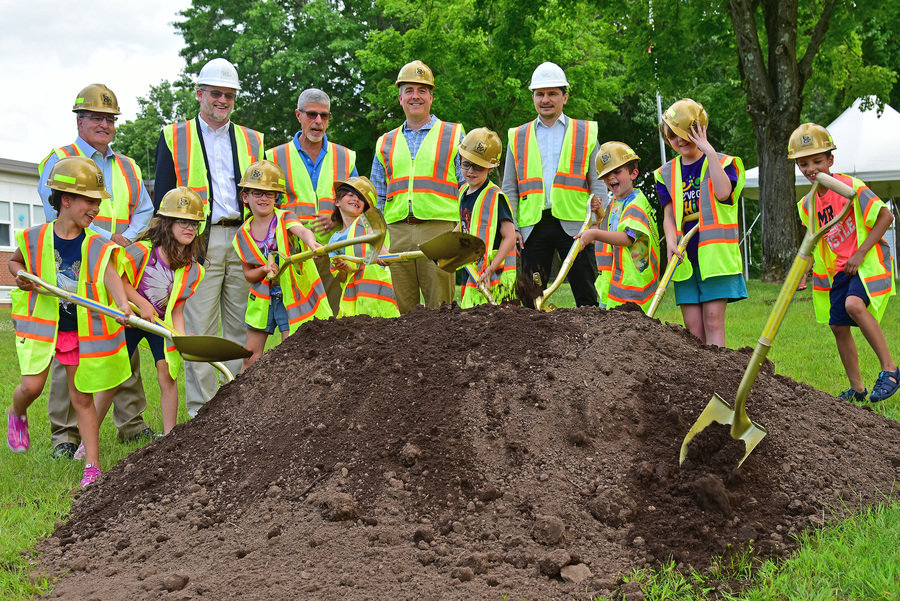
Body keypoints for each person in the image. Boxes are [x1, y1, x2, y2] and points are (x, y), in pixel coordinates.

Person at [37, 83, 156, 459]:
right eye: (96, 117)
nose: (104, 124)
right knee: (69, 348)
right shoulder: (58, 159)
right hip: (73, 265)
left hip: (117, 265)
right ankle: (65, 435)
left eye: (110, 118)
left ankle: (132, 424)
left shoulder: (128, 166)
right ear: (80, 120)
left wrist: (124, 240)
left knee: (124, 338)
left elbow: (144, 210)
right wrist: (107, 238)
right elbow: (57, 212)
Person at [8, 157, 132, 487]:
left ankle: (92, 464)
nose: (95, 209)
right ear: (66, 200)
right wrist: (20, 276)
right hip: (42, 327)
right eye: (90, 201)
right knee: (31, 387)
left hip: (78, 330)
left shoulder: (95, 243)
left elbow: (110, 276)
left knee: (82, 397)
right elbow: (14, 262)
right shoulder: (35, 237)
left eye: (97, 202)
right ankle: (17, 414)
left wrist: (122, 305)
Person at [154, 58, 264, 417]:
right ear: (199, 93)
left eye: (229, 95)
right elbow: (164, 200)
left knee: (237, 328)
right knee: (199, 328)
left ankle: (232, 412)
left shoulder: (252, 139)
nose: (222, 100)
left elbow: (261, 194)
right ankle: (202, 414)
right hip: (197, 242)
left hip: (242, 238)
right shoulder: (174, 135)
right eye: (215, 93)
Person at [790, 122, 898, 402]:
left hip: (867, 262)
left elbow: (886, 216)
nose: (811, 169)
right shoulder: (807, 205)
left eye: (817, 161)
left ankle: (891, 370)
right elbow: (813, 242)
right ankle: (858, 389)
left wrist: (861, 252)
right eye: (804, 164)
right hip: (840, 271)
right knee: (838, 326)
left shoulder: (851, 187)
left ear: (830, 160)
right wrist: (803, 272)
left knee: (853, 305)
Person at [93, 187, 205, 439]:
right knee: (114, 378)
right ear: (166, 223)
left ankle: (169, 436)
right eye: (183, 222)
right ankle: (87, 439)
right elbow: (118, 280)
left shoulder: (191, 268)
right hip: (129, 320)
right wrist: (141, 304)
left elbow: (177, 308)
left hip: (159, 324)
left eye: (195, 224)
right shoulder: (142, 250)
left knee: (168, 373)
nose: (190, 228)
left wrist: (181, 336)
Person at [502, 62, 607, 308]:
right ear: (533, 97)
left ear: (565, 97)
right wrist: (514, 227)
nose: (545, 99)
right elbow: (509, 188)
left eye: (552, 93)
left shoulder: (586, 132)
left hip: (576, 226)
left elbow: (598, 182)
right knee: (531, 296)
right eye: (540, 94)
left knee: (585, 293)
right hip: (532, 227)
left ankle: (592, 343)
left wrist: (595, 225)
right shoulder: (517, 136)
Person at [370, 60, 465, 313]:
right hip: (396, 234)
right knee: (403, 315)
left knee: (442, 311)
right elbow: (375, 199)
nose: (415, 96)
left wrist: (460, 229)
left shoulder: (454, 134)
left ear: (431, 97)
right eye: (409, 90)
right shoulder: (384, 142)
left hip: (441, 232)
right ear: (400, 98)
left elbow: (468, 189)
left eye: (422, 90)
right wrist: (379, 242)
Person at [654, 98, 746, 347]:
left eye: (686, 134)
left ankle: (720, 376)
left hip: (715, 259)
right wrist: (671, 242)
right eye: (672, 136)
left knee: (713, 321)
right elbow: (669, 216)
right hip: (685, 260)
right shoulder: (665, 173)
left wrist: (709, 152)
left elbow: (724, 193)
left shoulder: (725, 162)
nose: (680, 140)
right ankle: (703, 384)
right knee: (693, 329)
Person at [266, 88, 358, 316]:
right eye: (311, 114)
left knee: (334, 322)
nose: (318, 121)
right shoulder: (275, 157)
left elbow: (358, 203)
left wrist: (336, 219)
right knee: (298, 324)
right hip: (293, 256)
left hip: (334, 253)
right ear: (299, 115)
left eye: (324, 116)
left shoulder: (345, 157)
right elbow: (265, 208)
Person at [232, 161, 332, 370]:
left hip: (290, 297)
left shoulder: (284, 218)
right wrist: (264, 270)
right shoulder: (243, 234)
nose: (263, 198)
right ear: (245, 197)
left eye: (270, 193)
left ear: (277, 197)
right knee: (250, 357)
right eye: (257, 192)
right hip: (262, 301)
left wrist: (311, 241)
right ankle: (245, 401)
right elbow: (249, 275)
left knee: (292, 353)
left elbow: (302, 231)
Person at [579, 142, 659, 311]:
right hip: (615, 281)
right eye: (607, 174)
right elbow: (609, 232)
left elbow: (626, 237)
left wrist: (594, 234)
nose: (611, 177)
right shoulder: (616, 202)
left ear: (634, 173)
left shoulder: (636, 204)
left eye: (617, 171)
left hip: (632, 284)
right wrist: (599, 215)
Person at [455, 128, 517, 307]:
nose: (471, 171)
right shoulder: (463, 192)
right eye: (466, 164)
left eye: (478, 166)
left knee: (496, 324)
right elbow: (466, 223)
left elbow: (510, 236)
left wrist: (491, 268)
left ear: (490, 167)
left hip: (496, 274)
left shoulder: (495, 197)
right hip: (473, 268)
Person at [329, 176, 400, 318]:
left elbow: (378, 241)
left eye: (361, 198)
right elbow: (342, 277)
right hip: (353, 300)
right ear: (337, 201)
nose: (355, 199)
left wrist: (383, 254)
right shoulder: (334, 240)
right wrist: (343, 268)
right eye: (350, 194)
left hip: (377, 300)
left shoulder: (367, 223)